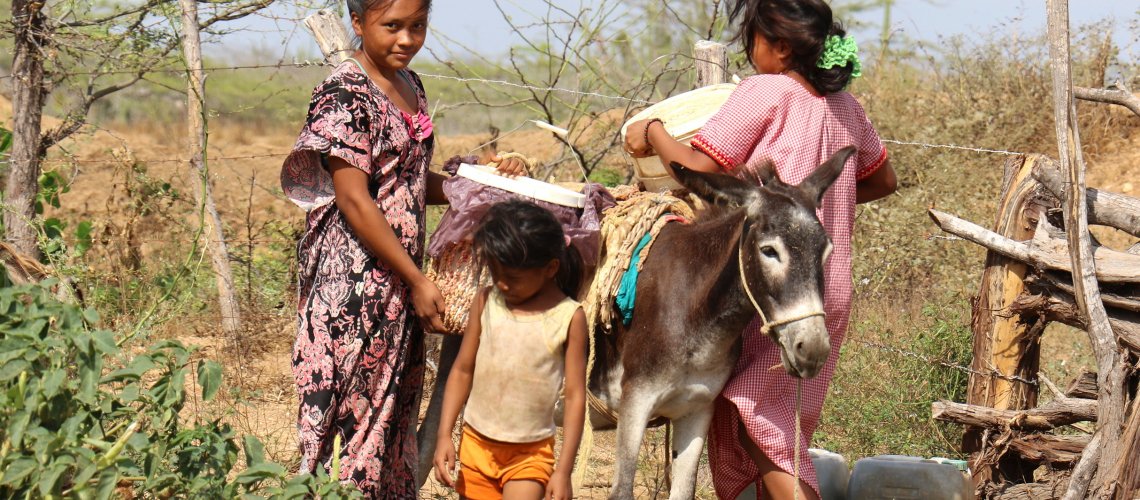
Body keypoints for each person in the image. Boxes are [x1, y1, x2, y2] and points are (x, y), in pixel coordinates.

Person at [624, 1, 898, 498]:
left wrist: (652, 131)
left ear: (781, 47)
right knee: (778, 424)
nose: (750, 55)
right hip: (825, 288)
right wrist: (827, 202)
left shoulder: (767, 92)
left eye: (753, 41)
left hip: (770, 287)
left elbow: (698, 171)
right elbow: (883, 178)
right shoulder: (847, 108)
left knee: (758, 421)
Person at [280, 0, 453, 496]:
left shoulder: (411, 86)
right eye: (391, 27)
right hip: (351, 288)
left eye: (417, 26)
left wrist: (477, 183)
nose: (406, 39)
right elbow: (354, 200)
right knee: (347, 420)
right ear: (357, 23)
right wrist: (418, 280)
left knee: (388, 415)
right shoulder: (344, 94)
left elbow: (411, 182)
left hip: (396, 283)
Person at [432, 200, 588, 500]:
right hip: (475, 444)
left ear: (550, 268)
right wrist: (444, 436)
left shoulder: (568, 317)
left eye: (513, 278)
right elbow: (463, 370)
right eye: (494, 272)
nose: (502, 284)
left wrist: (563, 470)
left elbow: (575, 396)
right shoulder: (486, 301)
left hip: (530, 455)